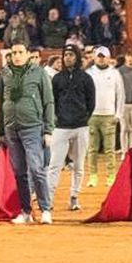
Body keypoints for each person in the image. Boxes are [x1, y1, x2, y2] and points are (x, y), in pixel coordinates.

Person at [0, 39, 54, 224]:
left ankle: (46, 209)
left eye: (20, 52)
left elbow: (48, 102)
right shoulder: (4, 74)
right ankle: (26, 211)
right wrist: (1, 131)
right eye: (13, 53)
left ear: (28, 54)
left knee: (37, 169)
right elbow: (1, 104)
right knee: (20, 172)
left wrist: (48, 130)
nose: (16, 56)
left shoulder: (39, 73)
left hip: (33, 127)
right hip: (11, 128)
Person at [46, 45, 95, 212]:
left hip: (81, 126)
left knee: (79, 165)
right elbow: (53, 101)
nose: (67, 58)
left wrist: (83, 118)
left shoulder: (86, 79)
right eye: (65, 55)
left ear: (77, 57)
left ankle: (74, 197)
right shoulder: (57, 79)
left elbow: (91, 103)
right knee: (54, 164)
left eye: (71, 55)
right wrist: (59, 118)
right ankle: (49, 199)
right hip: (61, 127)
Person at [86, 46, 125, 187]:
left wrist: (118, 114)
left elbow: (120, 94)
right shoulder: (89, 73)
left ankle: (111, 176)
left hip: (109, 116)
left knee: (110, 149)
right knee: (92, 149)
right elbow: (85, 95)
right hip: (93, 115)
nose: (101, 59)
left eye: (104, 56)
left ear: (108, 58)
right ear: (95, 57)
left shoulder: (115, 74)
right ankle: (93, 176)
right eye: (99, 56)